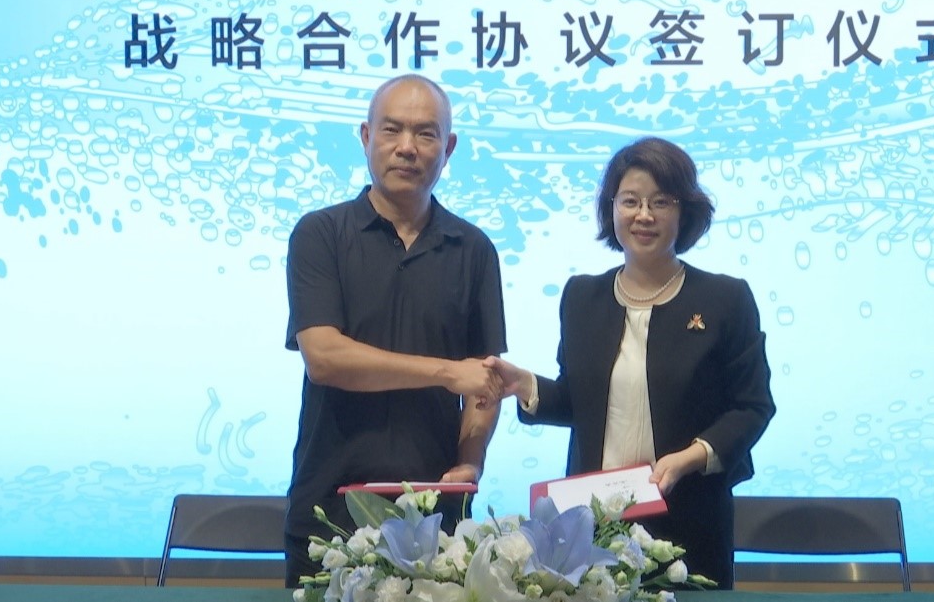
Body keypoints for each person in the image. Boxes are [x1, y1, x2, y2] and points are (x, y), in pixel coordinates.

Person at [490, 137, 775, 588]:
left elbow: (752, 406)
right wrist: (526, 386)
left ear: (685, 211)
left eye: (661, 202)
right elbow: (585, 401)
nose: (644, 215)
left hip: (687, 518)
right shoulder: (582, 297)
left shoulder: (725, 298)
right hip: (593, 524)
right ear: (612, 209)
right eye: (630, 201)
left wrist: (689, 459)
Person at [282, 74, 507, 587]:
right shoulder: (320, 234)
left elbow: (485, 380)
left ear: (448, 148)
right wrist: (445, 372)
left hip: (436, 522)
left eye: (426, 134)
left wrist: (471, 461)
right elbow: (325, 358)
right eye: (392, 130)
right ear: (366, 137)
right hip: (329, 515)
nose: (407, 147)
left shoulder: (474, 249)